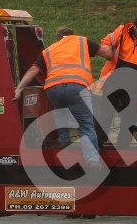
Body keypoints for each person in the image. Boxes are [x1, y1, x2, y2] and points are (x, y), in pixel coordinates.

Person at [13, 27, 112, 169]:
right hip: (77, 86)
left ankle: (64, 139)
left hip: (53, 88)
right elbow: (105, 52)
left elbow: (33, 70)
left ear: (58, 39)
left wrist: (19, 90)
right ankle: (92, 161)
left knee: (60, 110)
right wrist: (113, 54)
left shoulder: (49, 50)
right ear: (71, 35)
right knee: (86, 125)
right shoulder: (81, 41)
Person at [93, 15, 137, 148]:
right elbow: (106, 42)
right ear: (134, 27)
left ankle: (123, 145)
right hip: (114, 78)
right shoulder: (121, 31)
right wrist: (107, 51)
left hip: (134, 82)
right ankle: (98, 143)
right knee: (106, 112)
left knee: (129, 115)